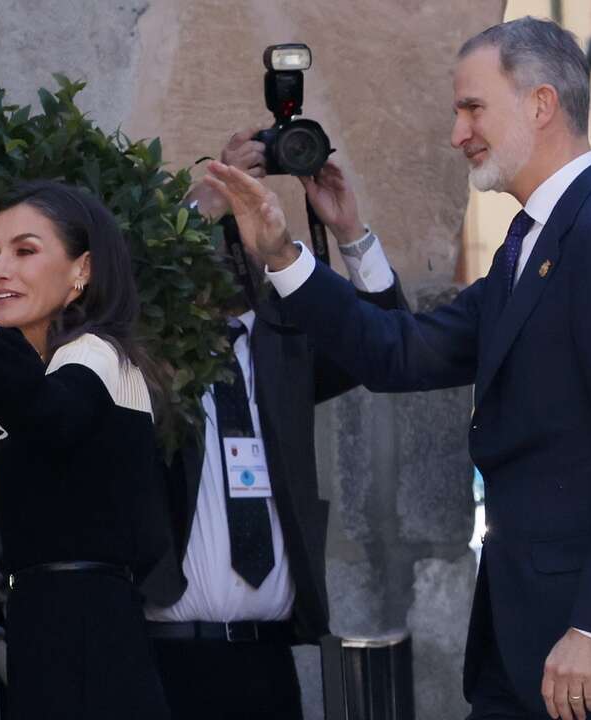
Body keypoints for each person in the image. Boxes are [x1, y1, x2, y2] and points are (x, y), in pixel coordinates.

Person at [205, 17, 591, 720]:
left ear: (540, 104)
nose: (457, 133)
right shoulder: (531, 243)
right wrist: (287, 253)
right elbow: (399, 353)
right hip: (526, 654)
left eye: (472, 107)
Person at [139, 135, 406, 720]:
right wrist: (204, 201)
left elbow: (386, 347)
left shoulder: (283, 353)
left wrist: (351, 233)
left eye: (240, 235)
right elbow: (124, 290)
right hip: (167, 661)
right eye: (215, 236)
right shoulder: (147, 356)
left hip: (267, 661)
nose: (228, 253)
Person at [0, 181, 171, 719]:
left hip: (89, 642)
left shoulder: (96, 356)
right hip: (48, 632)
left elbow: (45, 413)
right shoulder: (42, 373)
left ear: (83, 269)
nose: (0, 270)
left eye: (25, 251)